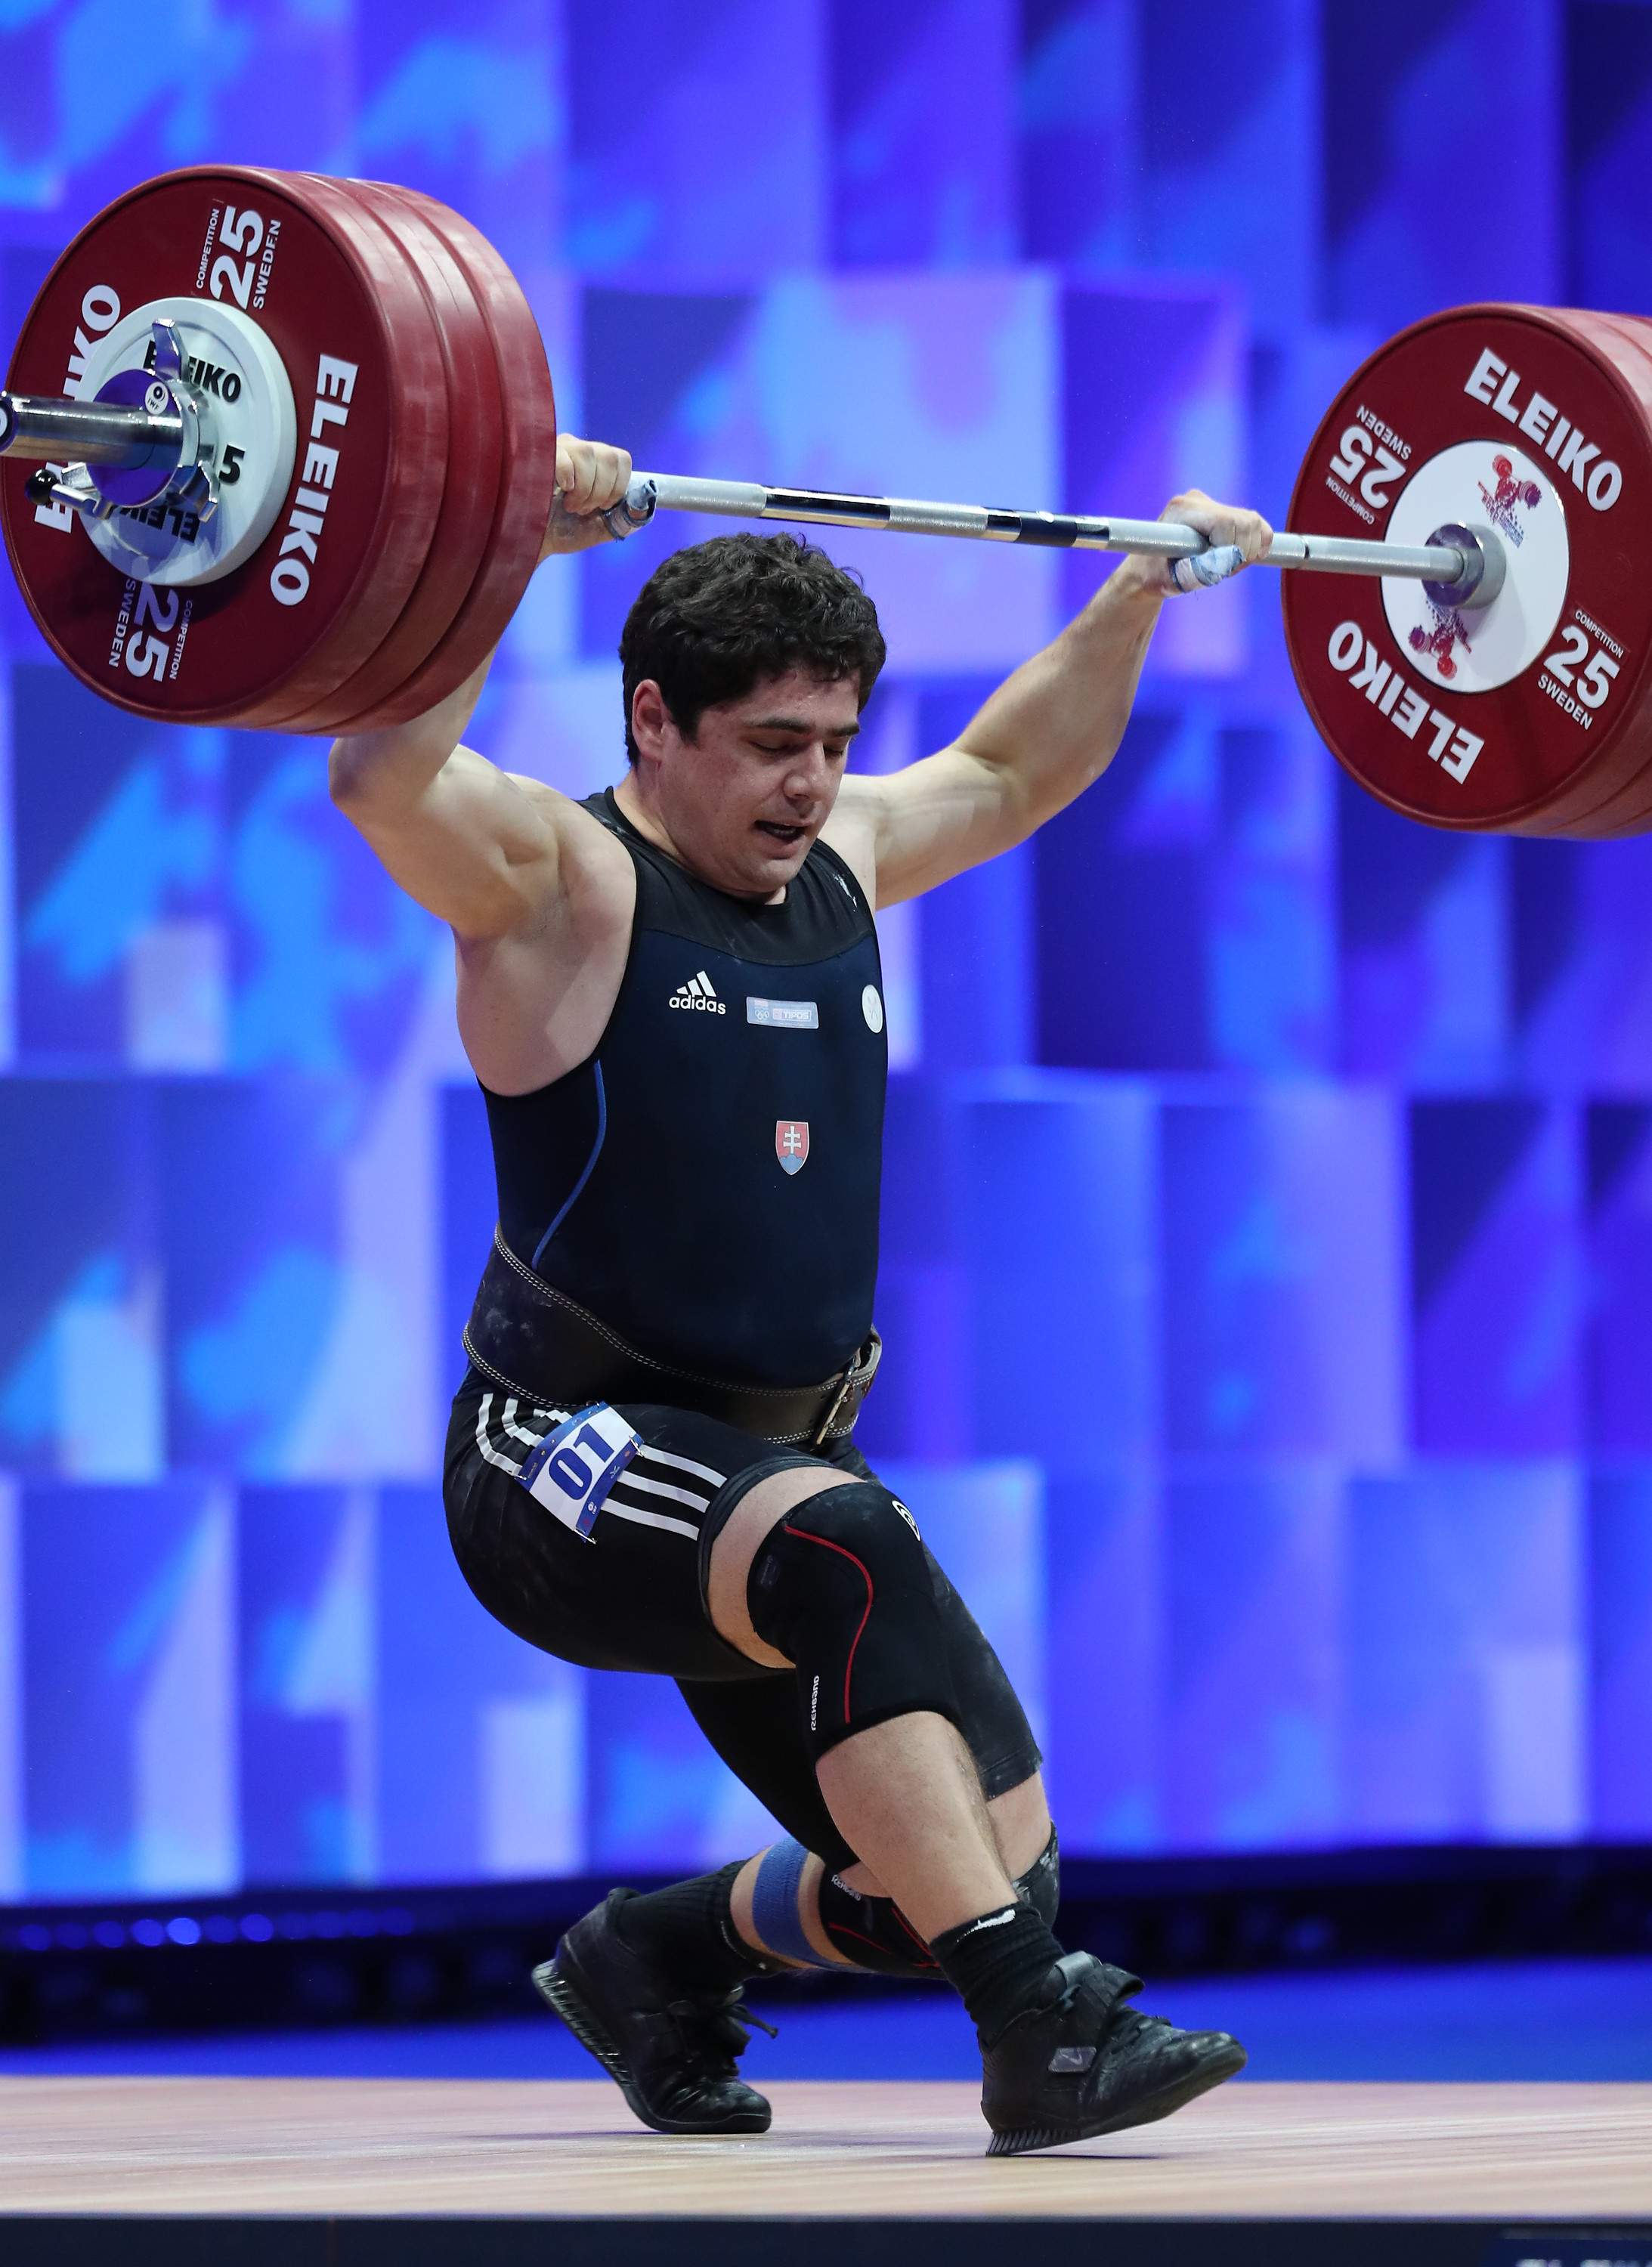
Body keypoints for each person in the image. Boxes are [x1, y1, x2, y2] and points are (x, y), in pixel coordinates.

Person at [329, 435, 1272, 2157]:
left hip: (766, 1473)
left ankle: (657, 1957)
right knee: (849, 1551)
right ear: (651, 722)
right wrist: (504, 546)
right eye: (772, 744)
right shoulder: (556, 884)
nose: (813, 785)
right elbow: (382, 782)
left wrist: (1143, 591)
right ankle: (1038, 2034)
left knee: (974, 1871)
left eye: (835, 743)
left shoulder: (838, 863)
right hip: (559, 1459)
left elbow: (1011, 770)